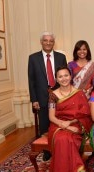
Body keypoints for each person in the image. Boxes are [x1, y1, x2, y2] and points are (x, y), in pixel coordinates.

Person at [46, 66, 93, 172]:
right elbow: (51, 116)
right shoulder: (53, 95)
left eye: (66, 75)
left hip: (76, 124)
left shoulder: (79, 93)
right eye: (60, 76)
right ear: (56, 78)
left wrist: (70, 123)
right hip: (57, 125)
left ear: (70, 76)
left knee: (67, 139)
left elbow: (85, 115)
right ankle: (79, 169)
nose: (64, 78)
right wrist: (62, 124)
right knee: (64, 138)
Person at [28, 31, 67, 160]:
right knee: (44, 125)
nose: (48, 43)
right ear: (41, 42)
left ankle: (59, 148)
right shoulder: (33, 58)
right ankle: (47, 151)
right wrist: (34, 99)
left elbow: (65, 77)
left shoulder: (61, 57)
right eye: (46, 40)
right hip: (41, 98)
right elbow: (31, 80)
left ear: (53, 42)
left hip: (59, 97)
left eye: (51, 40)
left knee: (59, 123)